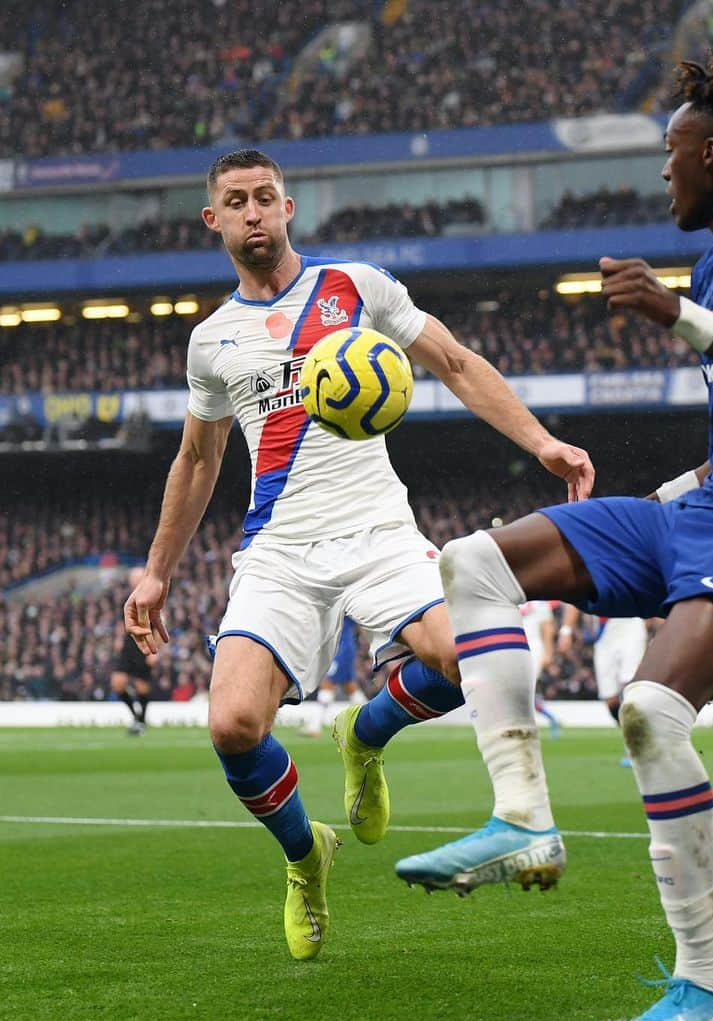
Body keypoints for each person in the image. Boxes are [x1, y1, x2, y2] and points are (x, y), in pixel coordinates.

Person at [397, 56, 713, 1021]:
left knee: (649, 708)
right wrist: (666, 501)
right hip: (709, 508)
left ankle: (704, 982)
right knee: (473, 561)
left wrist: (677, 315)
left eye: (668, 156)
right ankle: (523, 818)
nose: (663, 176)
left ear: (710, 151)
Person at [123, 148, 594, 962]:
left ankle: (365, 734)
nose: (253, 213)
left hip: (379, 534)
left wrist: (543, 442)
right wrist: (158, 569)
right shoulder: (213, 341)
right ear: (215, 220)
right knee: (234, 725)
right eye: (236, 202)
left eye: (265, 197)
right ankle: (307, 859)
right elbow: (198, 461)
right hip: (279, 553)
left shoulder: (357, 289)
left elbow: (451, 362)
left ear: (288, 206)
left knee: (466, 658)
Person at [560, 607, 650, 764]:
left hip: (631, 623)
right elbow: (574, 600)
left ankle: (636, 746)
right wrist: (566, 631)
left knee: (630, 687)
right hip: (603, 634)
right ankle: (632, 736)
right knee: (610, 700)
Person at [111, 566, 157, 735]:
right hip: (128, 643)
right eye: (132, 579)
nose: (134, 581)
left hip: (144, 643)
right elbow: (121, 621)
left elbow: (160, 625)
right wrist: (117, 638)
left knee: (141, 685)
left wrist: (154, 651)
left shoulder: (152, 597)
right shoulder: (126, 597)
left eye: (137, 578)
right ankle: (137, 717)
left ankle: (141, 722)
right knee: (118, 682)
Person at [305, 615, 367, 738]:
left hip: (341, 648)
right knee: (350, 686)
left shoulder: (343, 601)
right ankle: (372, 719)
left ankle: (314, 726)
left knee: (327, 683)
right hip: (343, 646)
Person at [519, 599, 560, 737]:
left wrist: (548, 652)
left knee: (526, 688)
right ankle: (551, 719)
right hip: (513, 647)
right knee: (520, 689)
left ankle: (526, 727)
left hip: (533, 648)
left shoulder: (539, 601)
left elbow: (548, 626)